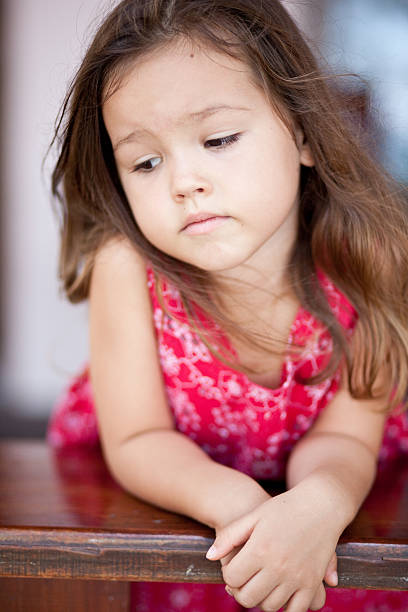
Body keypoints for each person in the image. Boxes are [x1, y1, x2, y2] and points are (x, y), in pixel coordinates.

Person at [47, 1, 408, 610]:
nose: (184, 181)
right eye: (146, 161)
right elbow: (138, 438)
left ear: (302, 134)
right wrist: (243, 510)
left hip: (341, 513)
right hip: (182, 519)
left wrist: (319, 504)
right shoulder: (127, 269)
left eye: (218, 139)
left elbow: (347, 440)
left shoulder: (368, 257)